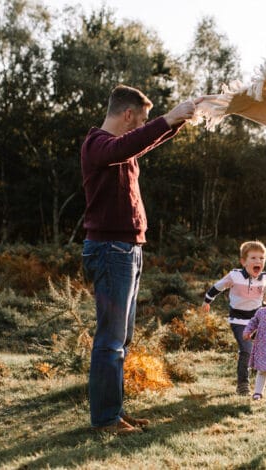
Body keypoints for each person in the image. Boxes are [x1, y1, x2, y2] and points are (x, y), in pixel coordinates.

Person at [81, 84, 200, 435]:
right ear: (128, 114)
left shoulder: (120, 149)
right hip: (110, 251)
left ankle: (113, 413)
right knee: (111, 340)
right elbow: (129, 144)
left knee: (121, 339)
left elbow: (142, 143)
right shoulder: (98, 144)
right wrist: (168, 118)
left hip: (127, 250)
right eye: (142, 120)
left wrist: (179, 121)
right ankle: (104, 420)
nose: (142, 127)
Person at [201, 241, 266, 395]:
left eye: (261, 258)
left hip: (257, 320)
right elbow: (218, 287)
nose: (258, 261)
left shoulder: (265, 278)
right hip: (238, 320)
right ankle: (242, 385)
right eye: (253, 258)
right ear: (243, 262)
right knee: (246, 349)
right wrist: (207, 301)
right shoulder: (235, 275)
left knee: (257, 350)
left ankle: (254, 376)